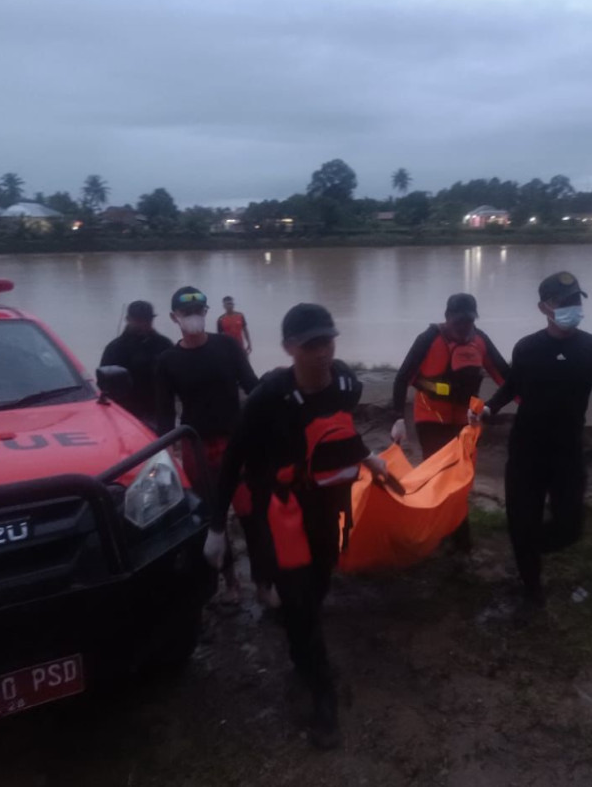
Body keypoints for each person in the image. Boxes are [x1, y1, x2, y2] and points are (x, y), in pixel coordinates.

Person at [205, 303, 386, 749]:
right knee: (301, 605)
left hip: (328, 506)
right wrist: (215, 526)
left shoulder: (346, 382)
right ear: (290, 348)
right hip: (282, 513)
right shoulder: (268, 398)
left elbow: (339, 431)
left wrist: (368, 458)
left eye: (328, 341)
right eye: (311, 345)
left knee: (319, 588)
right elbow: (233, 461)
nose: (323, 352)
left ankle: (303, 651)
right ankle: (321, 695)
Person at [475, 272, 592, 611]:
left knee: (570, 526)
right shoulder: (528, 348)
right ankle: (531, 588)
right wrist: (490, 407)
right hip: (526, 450)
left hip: (567, 452)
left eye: (577, 300)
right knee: (521, 519)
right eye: (564, 302)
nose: (573, 307)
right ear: (544, 307)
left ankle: (529, 549)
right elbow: (512, 386)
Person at [155, 286, 259, 602]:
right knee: (212, 517)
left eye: (199, 311)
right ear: (174, 317)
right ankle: (230, 582)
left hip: (236, 441)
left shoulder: (227, 346)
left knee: (250, 512)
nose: (193, 317)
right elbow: (163, 416)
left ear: (206, 312)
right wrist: (166, 452)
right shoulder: (166, 361)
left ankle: (264, 578)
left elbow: (252, 387)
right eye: (186, 313)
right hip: (195, 446)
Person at [390, 293, 509, 553]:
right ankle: (460, 542)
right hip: (430, 418)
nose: (464, 328)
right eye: (459, 323)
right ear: (447, 319)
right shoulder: (429, 339)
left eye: (468, 322)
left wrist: (507, 404)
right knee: (443, 478)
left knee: (460, 478)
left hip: (465, 422)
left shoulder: (480, 341)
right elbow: (402, 378)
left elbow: (507, 377)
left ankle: (447, 531)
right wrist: (398, 418)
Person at [98, 300, 173, 427]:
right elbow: (102, 383)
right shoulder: (114, 348)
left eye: (147, 320)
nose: (144, 324)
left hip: (159, 410)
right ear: (128, 319)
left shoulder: (164, 344)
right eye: (139, 320)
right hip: (127, 412)